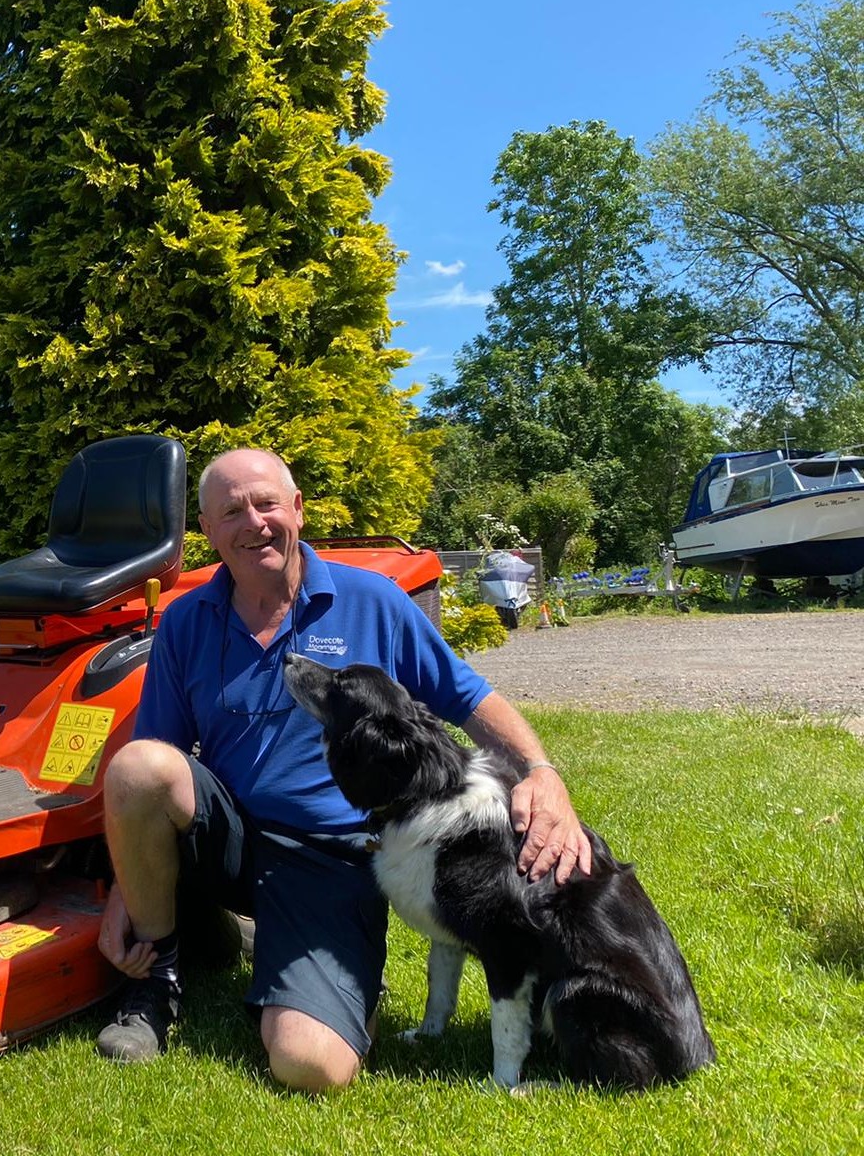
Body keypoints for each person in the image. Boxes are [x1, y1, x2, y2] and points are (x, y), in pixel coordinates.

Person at [96, 449, 592, 1092]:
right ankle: (158, 984)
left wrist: (541, 771)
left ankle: (338, 975)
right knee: (138, 766)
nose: (254, 523)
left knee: (312, 1067)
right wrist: (122, 893)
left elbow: (469, 699)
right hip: (233, 838)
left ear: (297, 509)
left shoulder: (373, 601)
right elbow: (154, 762)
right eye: (231, 512)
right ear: (209, 532)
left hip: (330, 860)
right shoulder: (187, 619)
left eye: (267, 503)